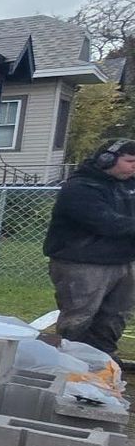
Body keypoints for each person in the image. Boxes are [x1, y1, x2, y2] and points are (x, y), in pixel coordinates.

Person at [43, 139, 135, 354]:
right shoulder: (80, 188)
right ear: (107, 159)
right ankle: (71, 359)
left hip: (125, 261)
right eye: (130, 161)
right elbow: (107, 223)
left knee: (116, 315)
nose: (134, 167)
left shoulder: (130, 185)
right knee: (79, 316)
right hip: (82, 262)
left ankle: (104, 358)